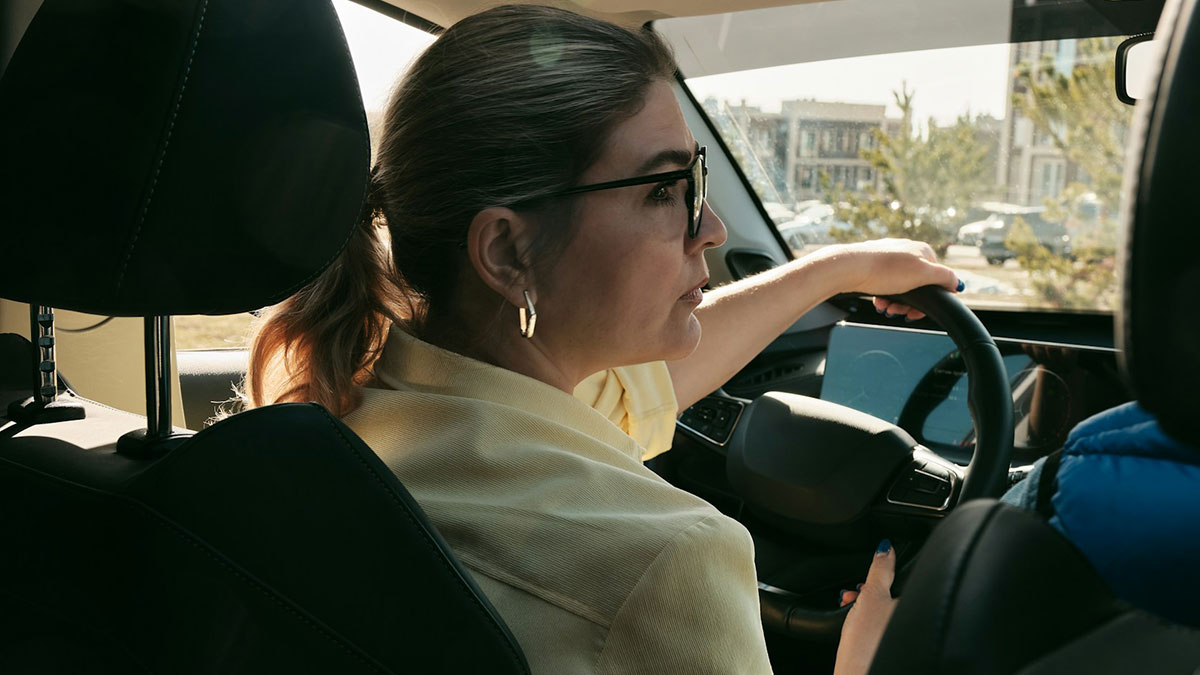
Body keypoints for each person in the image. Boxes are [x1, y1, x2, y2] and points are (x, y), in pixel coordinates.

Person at [245, 5, 962, 672]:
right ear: (506, 251)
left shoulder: (328, 427)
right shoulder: (668, 561)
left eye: (697, 178)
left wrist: (831, 270)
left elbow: (648, 383)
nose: (708, 227)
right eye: (662, 189)